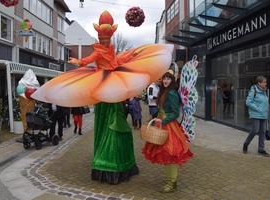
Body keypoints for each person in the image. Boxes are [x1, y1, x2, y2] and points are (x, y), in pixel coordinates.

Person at [31, 10, 173, 185]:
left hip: (113, 89)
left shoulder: (112, 49)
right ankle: (107, 163)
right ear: (98, 37)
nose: (104, 41)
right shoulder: (98, 51)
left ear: (111, 37)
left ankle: (122, 162)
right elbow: (91, 57)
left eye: (106, 39)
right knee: (109, 126)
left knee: (120, 128)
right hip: (104, 89)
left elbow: (117, 61)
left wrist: (130, 56)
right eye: (101, 39)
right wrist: (80, 62)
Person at [142, 70, 194, 193]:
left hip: (168, 126)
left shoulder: (171, 93)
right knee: (165, 155)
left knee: (170, 154)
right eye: (164, 78)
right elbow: (161, 109)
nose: (165, 81)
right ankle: (170, 180)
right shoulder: (164, 91)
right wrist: (155, 117)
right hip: (161, 123)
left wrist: (163, 121)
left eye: (168, 79)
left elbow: (176, 113)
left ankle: (173, 182)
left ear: (172, 81)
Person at [243, 76, 270, 157]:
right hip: (255, 114)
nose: (265, 83)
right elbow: (248, 102)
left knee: (263, 132)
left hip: (263, 115)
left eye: (266, 82)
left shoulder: (264, 91)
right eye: (264, 82)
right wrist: (258, 109)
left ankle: (261, 150)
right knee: (255, 130)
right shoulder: (254, 91)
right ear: (259, 83)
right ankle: (246, 144)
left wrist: (265, 111)